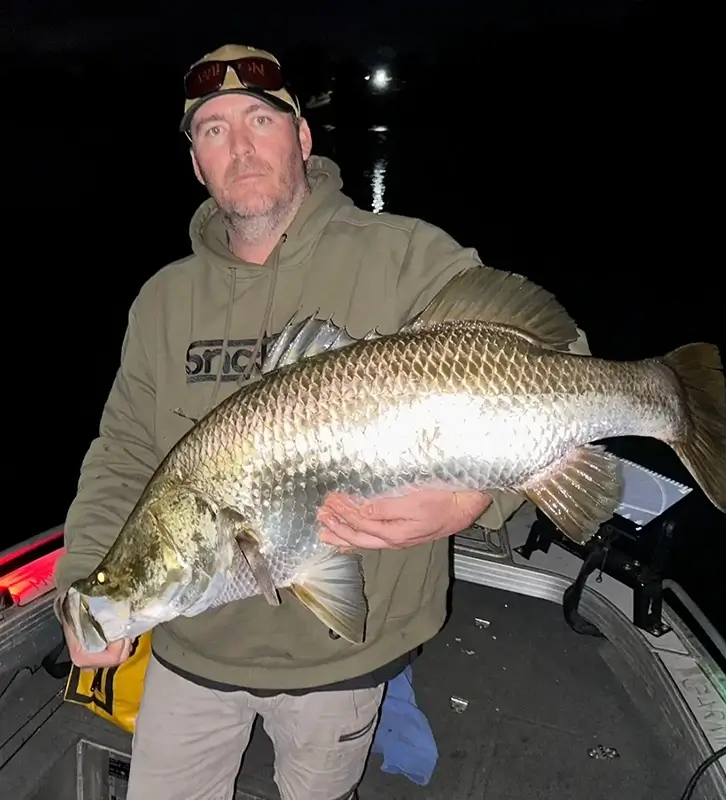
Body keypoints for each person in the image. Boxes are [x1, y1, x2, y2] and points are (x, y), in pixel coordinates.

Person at [54, 43, 589, 800]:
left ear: (302, 138)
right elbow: (122, 454)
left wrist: (480, 498)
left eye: (260, 121)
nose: (239, 146)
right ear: (197, 166)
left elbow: (558, 357)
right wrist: (86, 584)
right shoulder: (163, 302)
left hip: (345, 659)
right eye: (212, 131)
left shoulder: (404, 257)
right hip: (191, 648)